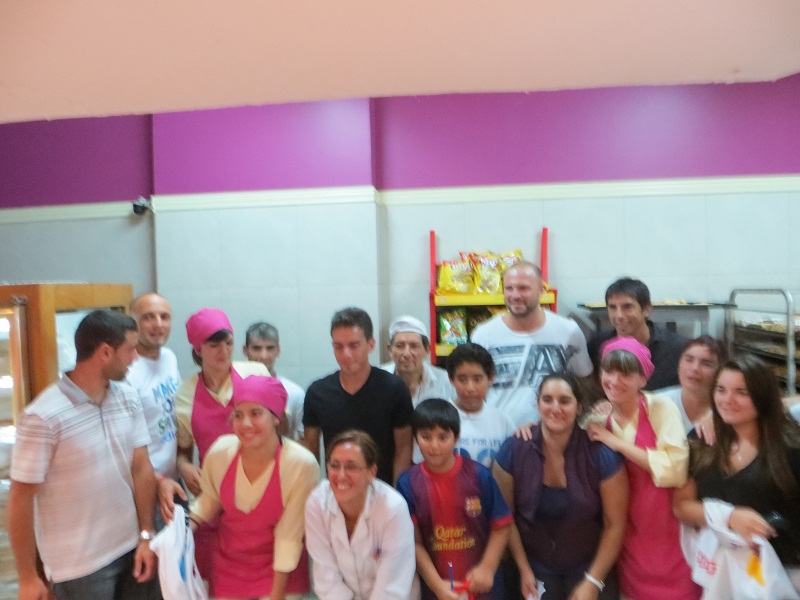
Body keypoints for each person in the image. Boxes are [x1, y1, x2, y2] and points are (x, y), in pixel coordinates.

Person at [8, 309, 157, 599]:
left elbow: (141, 468)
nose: (135, 358)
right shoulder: (43, 416)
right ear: (105, 352)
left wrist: (146, 535)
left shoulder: (128, 397)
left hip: (131, 548)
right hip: (79, 568)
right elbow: (20, 499)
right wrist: (27, 576)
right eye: (130, 349)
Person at [175, 375, 320, 600]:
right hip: (230, 565)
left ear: (276, 417)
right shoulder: (221, 452)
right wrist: (182, 533)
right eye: (238, 415)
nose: (245, 424)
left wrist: (276, 596)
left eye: (256, 413)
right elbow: (210, 499)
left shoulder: (300, 464)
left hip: (281, 569)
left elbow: (289, 537)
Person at [493, 373, 628, 600]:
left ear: (579, 407)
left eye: (565, 401)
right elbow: (505, 518)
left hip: (591, 565)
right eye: (547, 400)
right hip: (533, 567)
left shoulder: (601, 454)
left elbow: (614, 525)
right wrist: (524, 569)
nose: (555, 408)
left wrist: (593, 582)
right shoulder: (513, 450)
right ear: (537, 405)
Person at [585, 336, 699, 600]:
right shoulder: (598, 418)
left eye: (625, 374)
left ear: (643, 379)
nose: (614, 380)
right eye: (608, 371)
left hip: (668, 529)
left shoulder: (660, 407)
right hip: (626, 533)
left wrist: (617, 443)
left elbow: (675, 469)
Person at [673, 355, 800, 592]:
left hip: (784, 576)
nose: (727, 400)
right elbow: (681, 506)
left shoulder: (790, 448)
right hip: (723, 573)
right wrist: (729, 516)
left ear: (762, 396)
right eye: (721, 390)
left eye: (741, 392)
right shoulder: (702, 441)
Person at [173, 308, 268, 584]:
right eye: (214, 345)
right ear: (197, 350)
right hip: (213, 501)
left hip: (261, 494)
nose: (224, 351)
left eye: (228, 342)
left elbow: (278, 431)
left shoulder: (255, 373)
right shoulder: (185, 395)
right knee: (219, 582)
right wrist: (183, 466)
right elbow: (183, 451)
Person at [397, 399, 512, 600]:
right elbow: (414, 543)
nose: (434, 446)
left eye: (443, 437)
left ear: (456, 437)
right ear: (415, 438)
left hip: (484, 589)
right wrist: (437, 586)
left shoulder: (479, 475)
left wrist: (487, 567)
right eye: (426, 437)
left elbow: (501, 525)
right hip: (437, 590)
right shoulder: (407, 483)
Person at [470, 261, 593, 427]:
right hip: (500, 433)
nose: (515, 295)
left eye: (523, 288)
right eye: (509, 288)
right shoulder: (484, 334)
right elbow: (474, 389)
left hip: (554, 434)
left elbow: (584, 381)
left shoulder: (568, 331)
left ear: (541, 290)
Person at [302, 307, 413, 484]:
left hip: (382, 489)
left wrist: (397, 491)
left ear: (371, 344)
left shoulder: (394, 388)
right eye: (338, 347)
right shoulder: (318, 392)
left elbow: (404, 448)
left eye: (354, 346)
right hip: (338, 488)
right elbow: (311, 451)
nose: (346, 354)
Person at [305, 429, 418, 600]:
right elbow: (326, 578)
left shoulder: (393, 509)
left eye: (351, 467)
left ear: (371, 472)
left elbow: (391, 588)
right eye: (334, 466)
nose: (341, 475)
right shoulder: (317, 503)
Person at [587, 277, 685, 391]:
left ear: (646, 309)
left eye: (627, 307)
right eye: (613, 307)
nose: (619, 315)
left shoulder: (676, 348)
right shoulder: (597, 345)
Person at [127, 293, 182, 487]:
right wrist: (157, 482)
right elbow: (122, 447)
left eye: (164, 317)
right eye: (148, 317)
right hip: (144, 485)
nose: (158, 324)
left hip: (173, 479)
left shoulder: (169, 357)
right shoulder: (126, 373)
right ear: (132, 322)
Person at [446, 343, 513, 468]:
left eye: (477, 379)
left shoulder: (503, 422)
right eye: (462, 380)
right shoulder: (440, 417)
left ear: (490, 378)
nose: (470, 388)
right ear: (451, 379)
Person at [243, 321, 306, 440]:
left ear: (278, 350)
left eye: (270, 348)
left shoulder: (295, 393)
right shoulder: (233, 391)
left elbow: (303, 440)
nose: (263, 356)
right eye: (256, 348)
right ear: (245, 350)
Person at [658, 335, 726, 440]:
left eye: (706, 364)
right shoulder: (655, 403)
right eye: (689, 360)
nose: (695, 368)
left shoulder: (727, 411)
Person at [380, 315, 455, 407]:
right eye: (400, 346)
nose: (407, 354)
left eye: (414, 346)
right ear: (390, 350)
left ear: (427, 350)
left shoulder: (445, 381)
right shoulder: (377, 380)